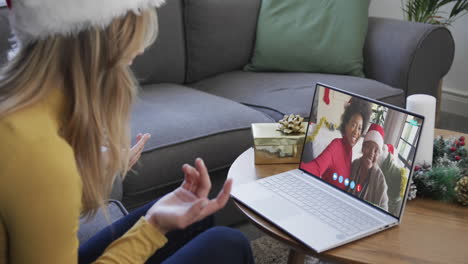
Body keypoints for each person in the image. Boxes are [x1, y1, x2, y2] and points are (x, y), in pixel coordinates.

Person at [0, 1, 254, 263]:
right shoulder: (37, 152)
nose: (141, 48)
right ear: (104, 36)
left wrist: (89, 175)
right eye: (135, 29)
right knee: (227, 244)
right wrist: (153, 229)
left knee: (191, 219)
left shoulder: (19, 110)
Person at [301, 98, 372, 190]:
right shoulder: (336, 145)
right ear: (346, 125)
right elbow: (316, 168)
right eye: (353, 125)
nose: (356, 132)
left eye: (359, 128)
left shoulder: (350, 152)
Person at [347, 124, 389, 211]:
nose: (371, 153)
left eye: (376, 150)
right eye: (369, 147)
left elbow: (384, 211)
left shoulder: (380, 181)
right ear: (363, 148)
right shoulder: (354, 164)